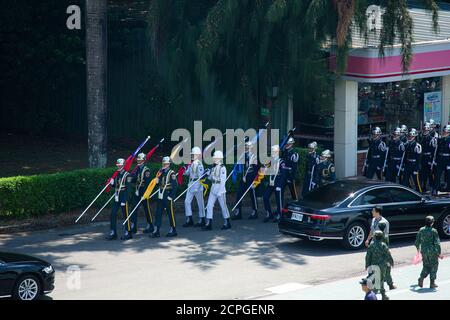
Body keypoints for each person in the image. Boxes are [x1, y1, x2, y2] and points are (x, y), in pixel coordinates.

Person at [150, 156, 178, 238]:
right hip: (161, 194)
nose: (165, 165)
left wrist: (171, 196)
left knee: (170, 213)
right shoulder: (161, 172)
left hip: (167, 194)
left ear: (169, 164)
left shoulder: (171, 173)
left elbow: (175, 186)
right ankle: (157, 230)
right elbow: (160, 184)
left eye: (166, 163)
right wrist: (157, 181)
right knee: (158, 212)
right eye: (164, 163)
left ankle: (173, 229)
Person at [203, 150, 231, 230]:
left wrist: (219, 192)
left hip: (220, 189)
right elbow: (211, 179)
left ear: (219, 158)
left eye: (215, 157)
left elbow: (223, 181)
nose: (214, 159)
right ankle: (209, 224)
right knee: (209, 206)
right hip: (213, 188)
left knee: (223, 206)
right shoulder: (213, 167)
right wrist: (207, 174)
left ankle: (227, 222)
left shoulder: (223, 168)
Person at [106, 158, 133, 241]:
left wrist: (124, 200)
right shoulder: (117, 175)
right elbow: (117, 186)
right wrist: (112, 183)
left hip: (123, 197)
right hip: (117, 197)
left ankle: (128, 232)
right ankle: (113, 232)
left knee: (126, 215)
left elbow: (128, 190)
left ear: (123, 165)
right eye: (118, 165)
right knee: (113, 214)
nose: (118, 166)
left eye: (120, 165)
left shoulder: (127, 175)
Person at [232, 141, 259, 220]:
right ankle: (238, 212)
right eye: (245, 147)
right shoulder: (243, 155)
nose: (246, 148)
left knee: (252, 194)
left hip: (251, 176)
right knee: (239, 193)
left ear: (251, 148)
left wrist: (255, 180)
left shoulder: (254, 157)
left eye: (247, 147)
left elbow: (256, 169)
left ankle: (255, 211)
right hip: (244, 177)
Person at [415, 216, 443, 289]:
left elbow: (417, 241)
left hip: (424, 251)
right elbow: (437, 243)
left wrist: (418, 249)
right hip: (432, 251)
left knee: (426, 266)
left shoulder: (421, 230)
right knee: (434, 266)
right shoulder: (433, 231)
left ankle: (421, 278)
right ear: (432, 222)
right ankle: (432, 283)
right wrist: (439, 253)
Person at [129, 153, 154, 234]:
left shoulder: (146, 170)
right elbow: (135, 179)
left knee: (146, 209)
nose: (138, 160)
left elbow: (147, 183)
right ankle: (133, 226)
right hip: (137, 191)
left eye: (140, 160)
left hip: (144, 192)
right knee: (133, 208)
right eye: (138, 159)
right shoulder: (137, 169)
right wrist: (129, 179)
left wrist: (145, 194)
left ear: (143, 160)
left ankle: (150, 225)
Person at [365, 230, 394, 300]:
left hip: (373, 266)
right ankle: (382, 295)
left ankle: (374, 294)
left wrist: (367, 265)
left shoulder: (371, 245)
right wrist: (391, 262)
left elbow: (368, 256)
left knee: (374, 280)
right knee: (380, 280)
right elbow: (388, 254)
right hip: (382, 266)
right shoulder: (383, 245)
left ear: (374, 237)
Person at [183, 147, 206, 228]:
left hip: (197, 185)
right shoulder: (192, 163)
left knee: (200, 203)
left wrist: (198, 186)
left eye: (193, 154)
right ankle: (189, 219)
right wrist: (183, 171)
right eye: (192, 154)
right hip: (191, 184)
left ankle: (202, 219)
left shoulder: (199, 164)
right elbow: (188, 173)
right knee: (187, 201)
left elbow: (201, 178)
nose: (192, 155)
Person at [263, 145, 287, 223]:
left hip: (277, 183)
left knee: (278, 200)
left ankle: (279, 215)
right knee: (265, 197)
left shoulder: (281, 162)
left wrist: (280, 185)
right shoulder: (270, 161)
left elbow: (283, 175)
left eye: (274, 151)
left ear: (277, 152)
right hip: (271, 182)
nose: (272, 153)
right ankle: (268, 213)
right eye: (272, 151)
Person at [378, 221, 396, 290]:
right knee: (387, 271)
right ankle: (390, 285)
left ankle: (378, 286)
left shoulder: (375, 236)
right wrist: (390, 260)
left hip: (376, 257)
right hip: (384, 257)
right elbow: (387, 249)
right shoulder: (385, 237)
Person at [420, 123, 438, 193]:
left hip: (428, 158)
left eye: (427, 130)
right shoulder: (421, 138)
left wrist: (432, 160)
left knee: (429, 173)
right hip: (422, 157)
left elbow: (434, 151)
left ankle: (431, 187)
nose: (425, 131)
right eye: (424, 130)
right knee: (422, 173)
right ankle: (423, 186)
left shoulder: (432, 139)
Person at [281, 136, 299, 201]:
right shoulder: (285, 152)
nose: (286, 145)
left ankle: (295, 202)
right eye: (286, 144)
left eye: (287, 144)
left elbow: (294, 168)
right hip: (283, 175)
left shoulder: (294, 154)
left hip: (289, 175)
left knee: (293, 191)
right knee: (281, 190)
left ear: (291, 144)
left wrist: (291, 178)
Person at [434, 125, 450, 194]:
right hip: (440, 159)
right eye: (444, 131)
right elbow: (437, 150)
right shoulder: (440, 139)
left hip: (447, 159)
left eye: (446, 131)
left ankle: (448, 188)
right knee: (437, 174)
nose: (444, 132)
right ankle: (436, 188)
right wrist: (436, 160)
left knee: (448, 175)